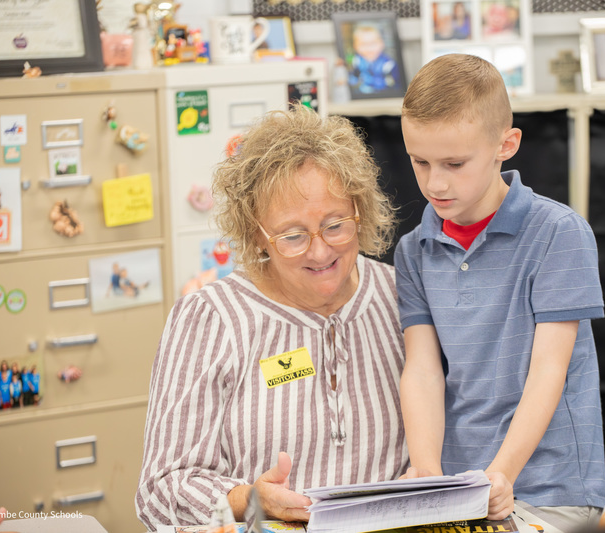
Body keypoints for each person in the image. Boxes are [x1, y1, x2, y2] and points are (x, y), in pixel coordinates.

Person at [136, 104, 407, 530]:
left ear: (361, 211)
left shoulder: (401, 296)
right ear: (256, 235)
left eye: (336, 225)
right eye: (293, 236)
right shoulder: (210, 318)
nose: (320, 252)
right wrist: (247, 499)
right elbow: (160, 490)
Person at [395, 54, 605, 530]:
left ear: (505, 145)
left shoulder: (559, 233)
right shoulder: (413, 252)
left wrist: (501, 474)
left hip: (553, 489)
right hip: (458, 491)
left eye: (454, 163)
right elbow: (423, 369)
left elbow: (549, 369)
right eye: (419, 161)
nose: (435, 182)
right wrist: (428, 471)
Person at [347, 24, 400, 95]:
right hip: (362, 94)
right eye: (363, 44)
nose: (369, 48)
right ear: (355, 46)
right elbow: (353, 77)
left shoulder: (388, 64)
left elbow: (395, 84)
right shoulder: (357, 61)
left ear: (381, 44)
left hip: (383, 93)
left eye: (373, 43)